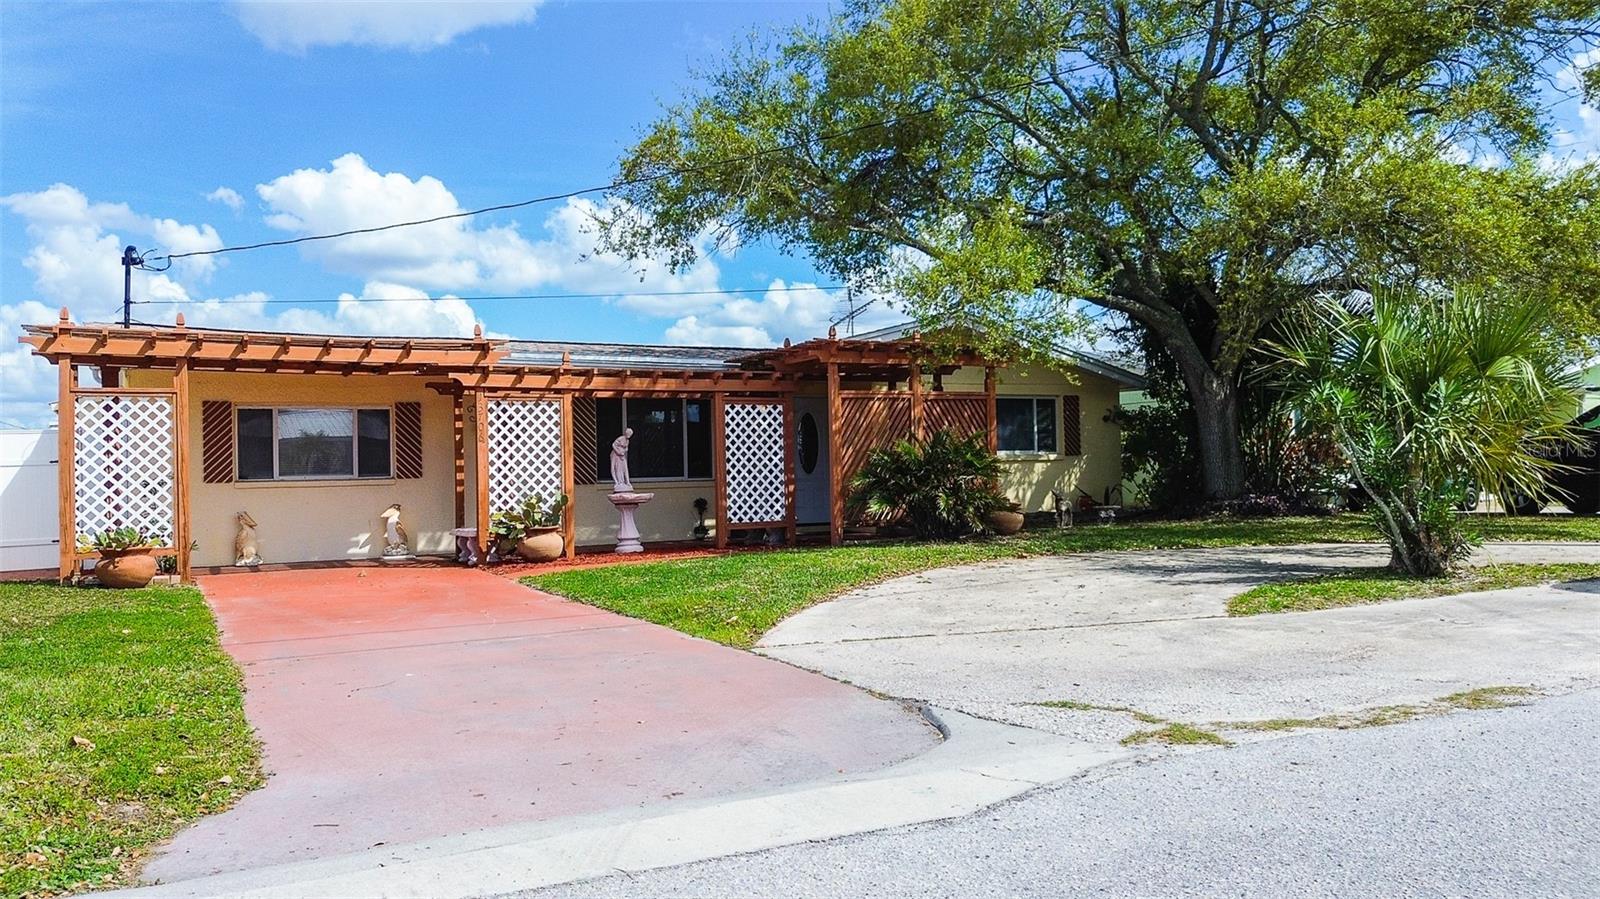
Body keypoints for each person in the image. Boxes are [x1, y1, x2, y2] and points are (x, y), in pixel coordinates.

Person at [610, 427, 634, 492]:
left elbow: (626, 448)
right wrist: (618, 452)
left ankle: (627, 482)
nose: (629, 435)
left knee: (625, 468)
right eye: (628, 433)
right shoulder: (620, 438)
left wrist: (624, 451)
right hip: (616, 455)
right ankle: (617, 482)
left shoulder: (627, 441)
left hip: (622, 456)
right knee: (615, 468)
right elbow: (613, 445)